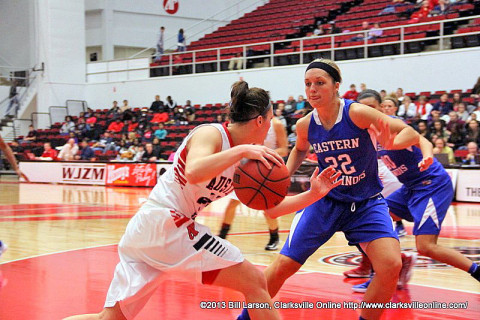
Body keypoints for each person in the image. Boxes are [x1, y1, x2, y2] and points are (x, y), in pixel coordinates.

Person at [64, 80, 343, 320]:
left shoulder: (243, 162)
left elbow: (271, 209)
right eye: (270, 121)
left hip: (152, 231)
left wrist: (314, 194)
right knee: (255, 282)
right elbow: (194, 170)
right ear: (260, 120)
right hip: (167, 224)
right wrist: (242, 150)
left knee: (110, 319)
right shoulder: (211, 133)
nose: (269, 128)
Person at [238, 60, 425, 320]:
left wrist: (390, 143)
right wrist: (281, 178)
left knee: (391, 265)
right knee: (284, 265)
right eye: (308, 84)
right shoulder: (305, 124)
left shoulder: (357, 113)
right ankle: (244, 318)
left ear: (336, 86)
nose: (312, 89)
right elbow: (300, 148)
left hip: (366, 203)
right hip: (326, 201)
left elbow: (409, 133)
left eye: (320, 83)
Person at [352, 89, 480, 293]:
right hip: (410, 187)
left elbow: (423, 140)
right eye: (363, 108)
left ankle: (477, 272)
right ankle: (393, 266)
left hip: (431, 184)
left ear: (381, 107)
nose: (368, 112)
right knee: (367, 221)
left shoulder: (392, 125)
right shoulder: (364, 134)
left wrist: (427, 156)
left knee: (427, 246)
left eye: (372, 108)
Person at [218, 116, 289, 251]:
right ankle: (222, 236)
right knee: (233, 202)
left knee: (267, 208)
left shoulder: (276, 124)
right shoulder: (249, 123)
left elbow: (284, 149)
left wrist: (261, 153)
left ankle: (274, 237)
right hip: (248, 170)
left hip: (268, 170)